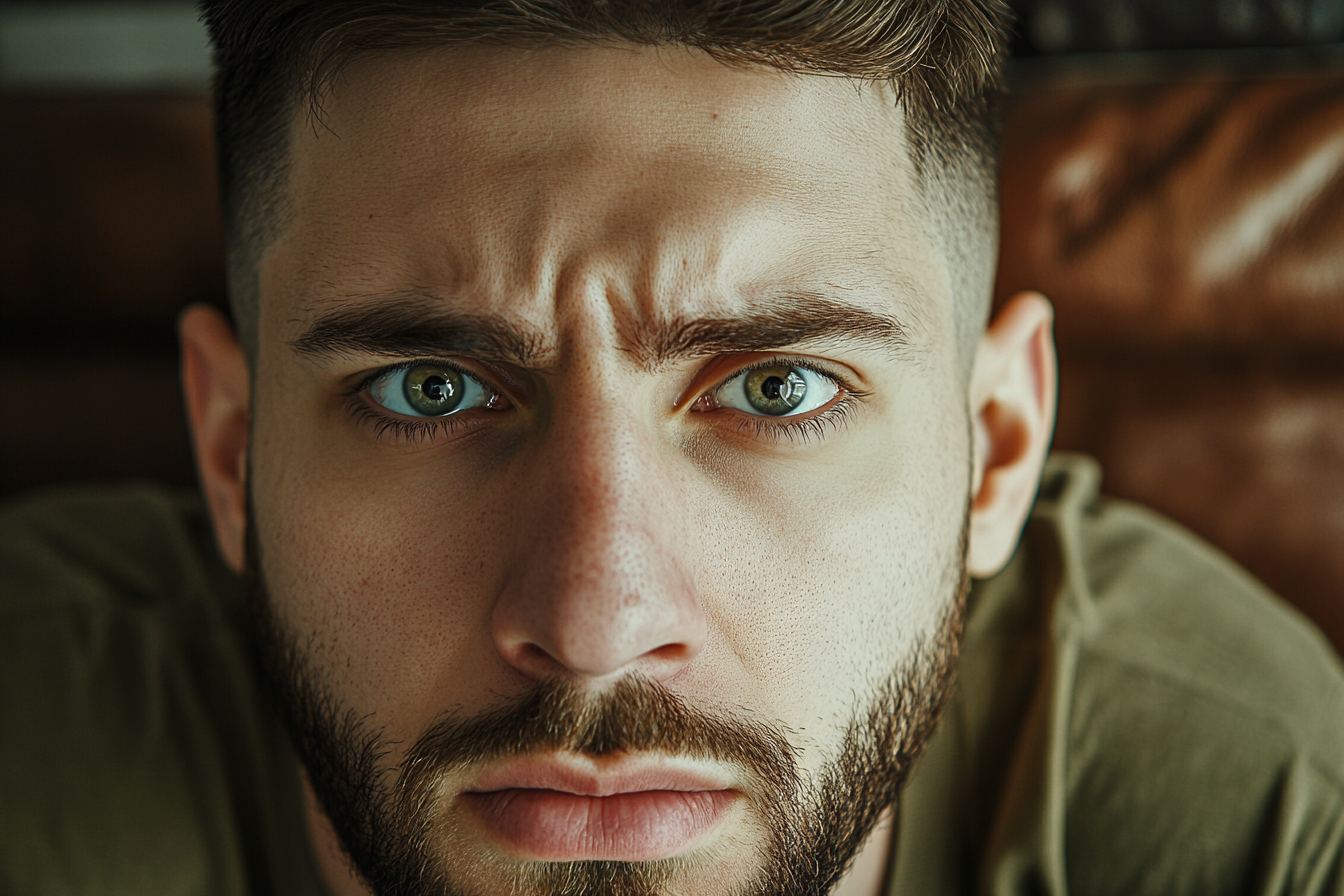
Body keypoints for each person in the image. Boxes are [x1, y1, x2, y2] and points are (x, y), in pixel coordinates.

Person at [2, 2, 1341, 894]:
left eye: (775, 388)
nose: (593, 624)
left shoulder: (1266, 824)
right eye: (425, 390)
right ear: (231, 456)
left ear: (995, 454)